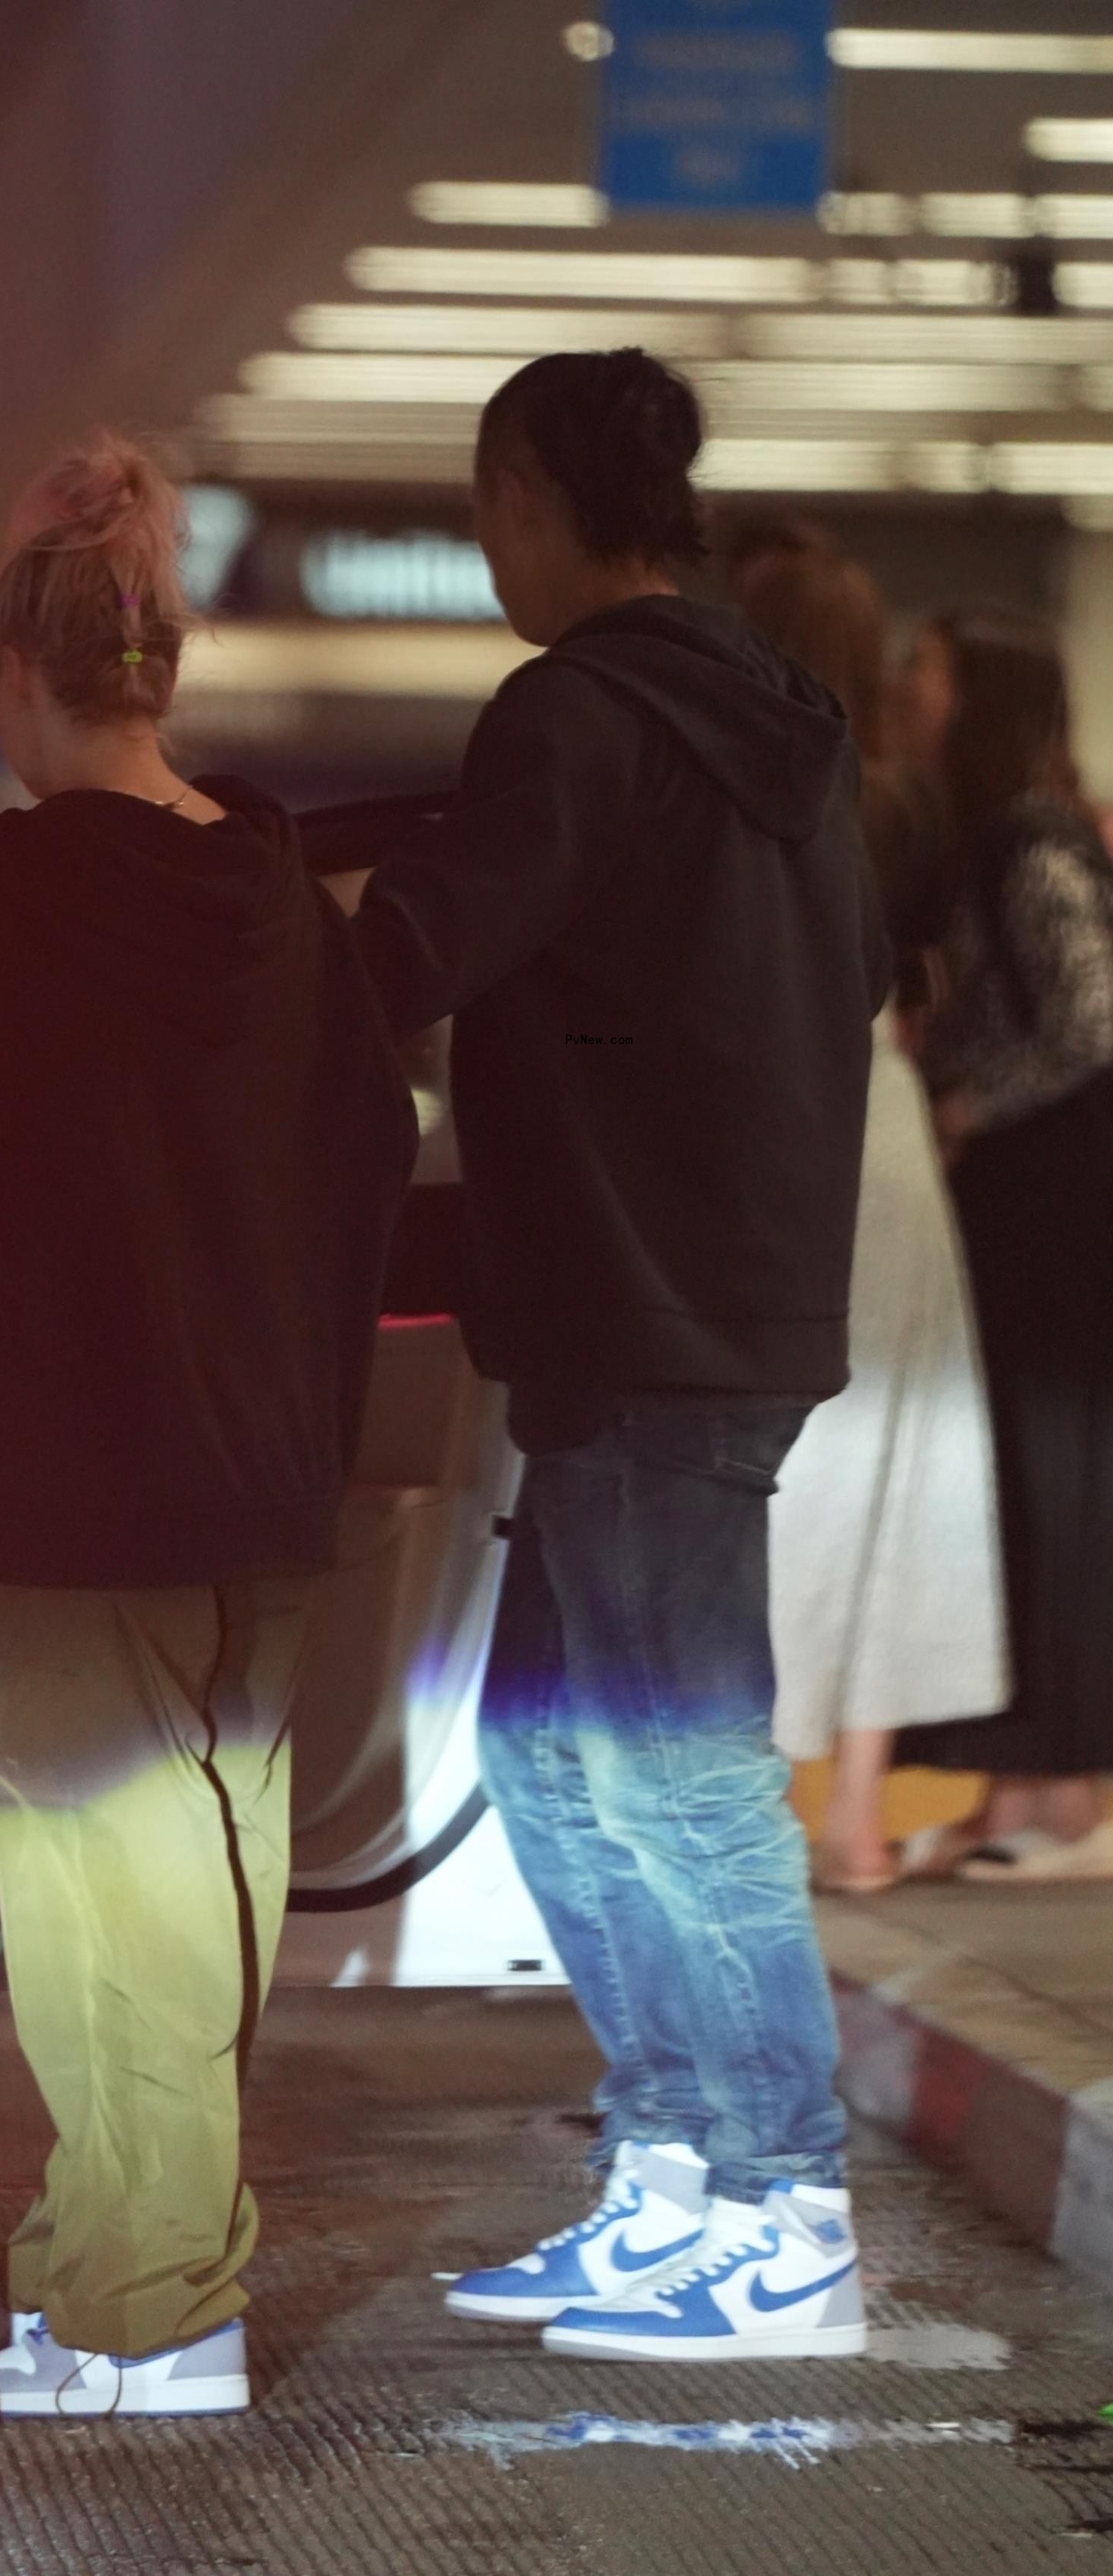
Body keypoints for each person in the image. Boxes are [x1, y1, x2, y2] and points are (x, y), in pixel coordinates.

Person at [0, 431, 418, 2415]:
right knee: (214, 1870)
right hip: (262, 1461)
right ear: (164, 667)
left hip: (77, 1465)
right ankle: (144, 2256)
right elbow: (367, 1168)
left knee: (106, 1894)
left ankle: (153, 2310)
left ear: (17, 674)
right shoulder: (285, 909)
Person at [338, 348, 888, 2362]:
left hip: (646, 1315)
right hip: (696, 1299)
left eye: (494, 502)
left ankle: (787, 2211)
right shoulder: (786, 718)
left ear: (553, 503)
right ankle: (671, 2176)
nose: (491, 544)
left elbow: (420, 948)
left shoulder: (573, 716)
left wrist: (254, 945)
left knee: (670, 1766)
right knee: (550, 1751)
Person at [731, 543, 1008, 1894]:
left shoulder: (748, 792)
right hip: (892, 1121)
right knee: (907, 1459)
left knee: (779, 1458)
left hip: (789, 1126)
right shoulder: (901, 804)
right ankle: (854, 1817)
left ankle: (754, 1790)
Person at [893, 610, 1113, 1881]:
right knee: (1027, 1484)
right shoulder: (1003, 841)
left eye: (927, 673)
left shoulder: (1032, 842)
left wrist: (964, 1100)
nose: (909, 692)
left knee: (1048, 1479)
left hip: (1054, 1217)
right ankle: (1021, 1780)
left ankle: (1055, 1785)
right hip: (1033, 1215)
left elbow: (1090, 1019)